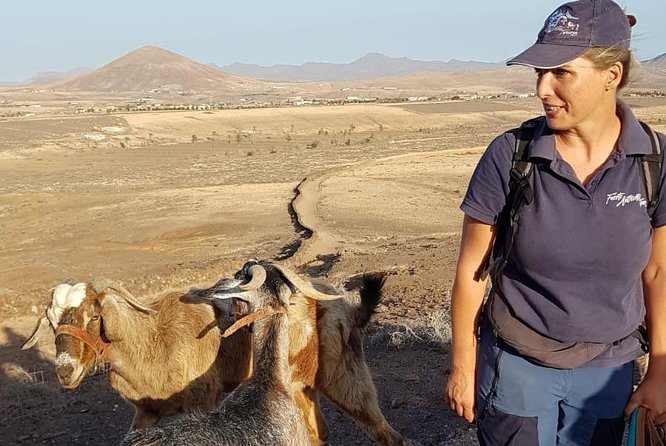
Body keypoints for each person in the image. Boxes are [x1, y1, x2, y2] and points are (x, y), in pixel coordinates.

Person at [443, 0, 666, 444]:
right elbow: (472, 272)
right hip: (518, 363)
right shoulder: (511, 156)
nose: (543, 88)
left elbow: (659, 273)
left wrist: (660, 368)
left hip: (609, 370)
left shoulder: (655, 163)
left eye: (561, 72)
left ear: (612, 76)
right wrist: (462, 366)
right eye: (539, 73)